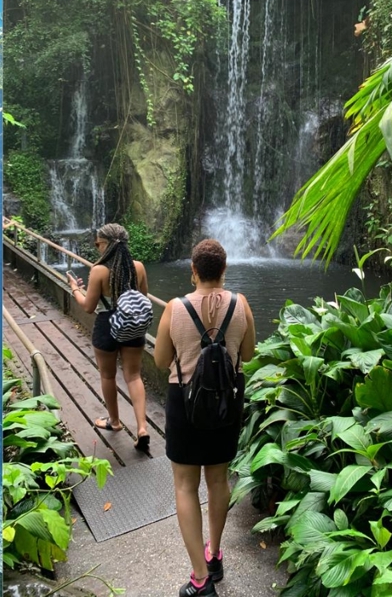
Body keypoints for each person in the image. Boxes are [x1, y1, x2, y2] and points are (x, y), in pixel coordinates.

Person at [152, 239, 256, 597]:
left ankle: (200, 579)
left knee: (184, 485)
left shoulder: (174, 308)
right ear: (224, 271)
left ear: (193, 271)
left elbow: (161, 361)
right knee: (218, 479)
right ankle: (214, 554)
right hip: (228, 402)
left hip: (185, 402)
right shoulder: (240, 304)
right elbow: (249, 353)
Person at [65, 223, 151, 450]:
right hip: (133, 325)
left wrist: (75, 288)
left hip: (106, 326)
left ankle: (114, 422)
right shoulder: (138, 267)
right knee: (134, 375)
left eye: (98, 244)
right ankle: (142, 428)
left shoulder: (99, 270)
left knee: (108, 375)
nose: (97, 248)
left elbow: (88, 307)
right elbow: (142, 298)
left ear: (107, 245)